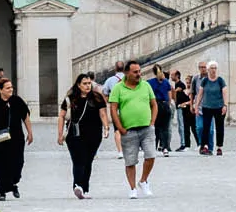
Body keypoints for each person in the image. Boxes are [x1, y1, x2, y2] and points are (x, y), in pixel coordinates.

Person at [108, 60, 157, 197]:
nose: (138, 74)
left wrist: (152, 121)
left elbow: (154, 104)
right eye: (135, 72)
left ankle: (143, 180)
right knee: (130, 160)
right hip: (128, 129)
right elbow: (113, 109)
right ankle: (132, 188)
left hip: (146, 128)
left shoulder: (146, 85)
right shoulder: (118, 88)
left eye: (139, 71)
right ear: (127, 73)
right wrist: (119, 127)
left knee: (151, 155)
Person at [58, 72, 109, 199]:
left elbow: (103, 114)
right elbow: (62, 116)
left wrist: (106, 127)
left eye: (89, 83)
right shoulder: (70, 99)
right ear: (78, 85)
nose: (87, 86)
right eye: (84, 84)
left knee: (88, 161)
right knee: (78, 160)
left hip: (94, 134)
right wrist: (60, 134)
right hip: (75, 134)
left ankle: (84, 188)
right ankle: (77, 186)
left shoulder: (97, 97)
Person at [0, 77, 32, 201]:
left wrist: (30, 132)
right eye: (8, 88)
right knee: (0, 165)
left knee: (18, 163)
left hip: (16, 138)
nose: (11, 90)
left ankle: (13, 183)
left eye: (11, 87)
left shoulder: (17, 101)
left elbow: (26, 117)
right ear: (0, 90)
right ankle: (2, 191)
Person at [194, 63, 227, 155]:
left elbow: (224, 93)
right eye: (212, 68)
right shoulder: (205, 81)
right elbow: (200, 94)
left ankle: (219, 147)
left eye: (215, 68)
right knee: (206, 127)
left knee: (219, 127)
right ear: (208, 70)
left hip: (219, 107)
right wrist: (196, 106)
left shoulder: (220, 80)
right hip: (207, 107)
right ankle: (205, 146)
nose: (214, 70)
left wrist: (225, 105)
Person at [147, 65, 173, 154]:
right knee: (165, 128)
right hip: (165, 105)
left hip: (155, 105)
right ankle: (165, 147)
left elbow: (148, 96)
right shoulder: (166, 82)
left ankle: (153, 147)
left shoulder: (150, 82)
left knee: (154, 127)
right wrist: (168, 105)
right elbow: (169, 96)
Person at [171, 69, 192, 151]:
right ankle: (183, 143)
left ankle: (184, 144)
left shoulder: (180, 84)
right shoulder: (177, 84)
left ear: (177, 76)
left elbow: (181, 90)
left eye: (172, 75)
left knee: (182, 126)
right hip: (179, 107)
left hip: (182, 108)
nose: (171, 77)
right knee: (181, 126)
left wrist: (174, 91)